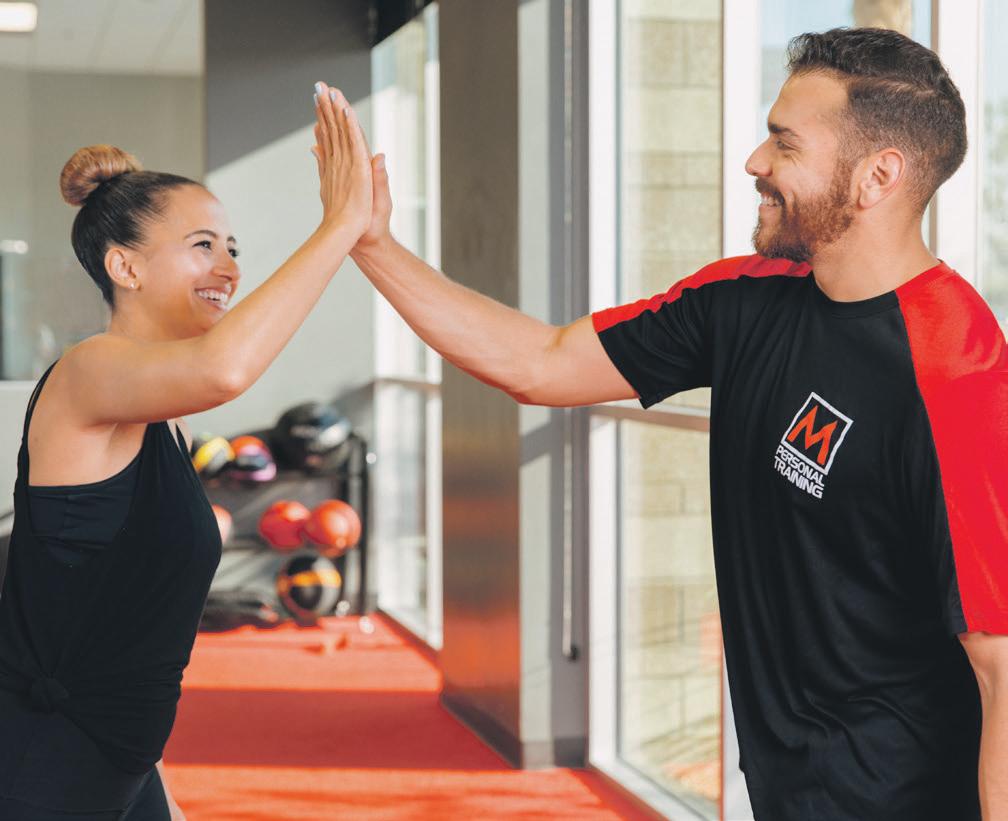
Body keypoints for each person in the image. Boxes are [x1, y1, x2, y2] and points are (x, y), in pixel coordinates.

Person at [349, 27, 1007, 821]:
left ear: (878, 176)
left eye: (784, 143)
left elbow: (1002, 665)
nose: (755, 162)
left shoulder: (956, 372)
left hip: (905, 797)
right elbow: (541, 363)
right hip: (790, 783)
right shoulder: (746, 297)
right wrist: (373, 245)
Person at [0, 81, 373, 820]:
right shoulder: (88, 373)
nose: (228, 268)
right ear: (125, 268)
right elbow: (225, 370)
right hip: (43, 763)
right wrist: (341, 225)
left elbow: (127, 619)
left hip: (122, 758)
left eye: (232, 248)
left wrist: (154, 785)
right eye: (202, 246)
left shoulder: (168, 421)